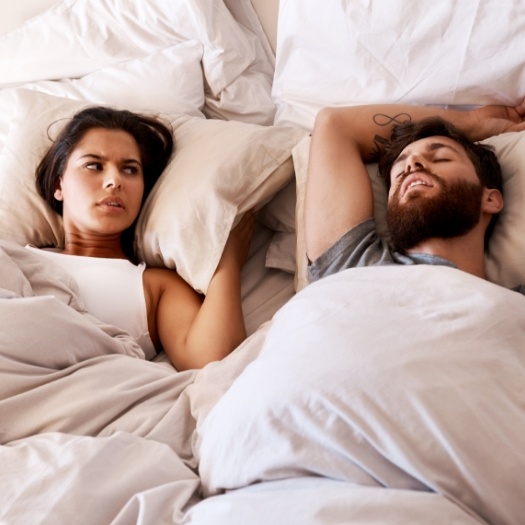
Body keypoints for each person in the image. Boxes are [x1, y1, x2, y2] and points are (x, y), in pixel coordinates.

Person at [32, 106, 255, 371]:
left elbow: (214, 362)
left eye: (129, 170)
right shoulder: (18, 258)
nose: (114, 181)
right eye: (94, 165)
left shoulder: (156, 287)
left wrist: (224, 259)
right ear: (59, 185)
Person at [304, 101, 525, 286]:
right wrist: (473, 123)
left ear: (489, 199)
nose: (411, 163)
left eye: (441, 158)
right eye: (399, 170)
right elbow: (334, 124)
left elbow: (335, 125)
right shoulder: (350, 267)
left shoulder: (515, 311)